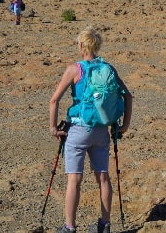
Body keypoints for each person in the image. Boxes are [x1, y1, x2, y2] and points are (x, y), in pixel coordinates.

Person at [49, 27, 133, 233]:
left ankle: (69, 228)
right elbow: (128, 96)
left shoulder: (74, 69)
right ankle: (104, 225)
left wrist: (53, 128)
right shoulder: (108, 69)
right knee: (103, 177)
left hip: (77, 130)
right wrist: (124, 126)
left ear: (81, 45)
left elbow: (54, 100)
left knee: (74, 180)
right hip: (102, 130)